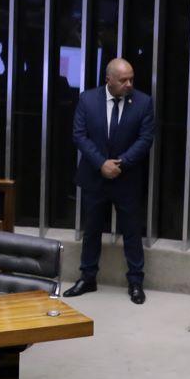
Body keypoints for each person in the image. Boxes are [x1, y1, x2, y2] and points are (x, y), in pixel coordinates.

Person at [66, 57, 155, 305]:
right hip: (95, 175)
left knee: (131, 231)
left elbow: (146, 138)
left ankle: (135, 281)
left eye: (131, 79)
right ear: (109, 80)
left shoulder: (143, 102)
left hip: (126, 178)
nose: (129, 84)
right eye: (123, 80)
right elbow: (79, 135)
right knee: (91, 228)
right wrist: (101, 164)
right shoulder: (87, 99)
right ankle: (88, 277)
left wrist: (121, 163)